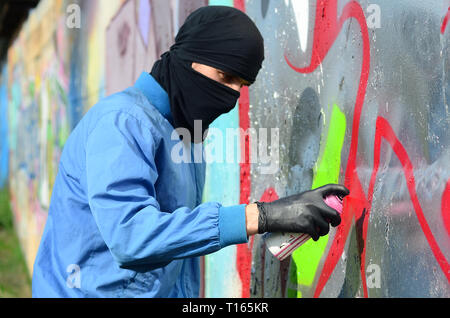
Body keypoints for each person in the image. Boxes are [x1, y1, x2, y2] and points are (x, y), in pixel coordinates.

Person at [32, 6, 349, 298]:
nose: (230, 97)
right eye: (224, 77)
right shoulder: (123, 123)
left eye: (241, 85)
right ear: (189, 58)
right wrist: (260, 216)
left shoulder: (186, 133)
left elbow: (174, 258)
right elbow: (131, 238)